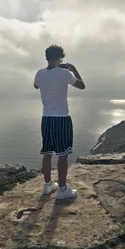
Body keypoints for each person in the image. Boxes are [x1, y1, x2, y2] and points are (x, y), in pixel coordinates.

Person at [34, 45, 85, 199]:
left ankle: (47, 185)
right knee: (63, 154)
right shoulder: (65, 73)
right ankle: (62, 190)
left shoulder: (39, 73)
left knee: (47, 152)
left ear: (47, 58)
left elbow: (36, 85)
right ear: (59, 58)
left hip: (46, 118)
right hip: (62, 118)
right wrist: (73, 69)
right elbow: (82, 86)